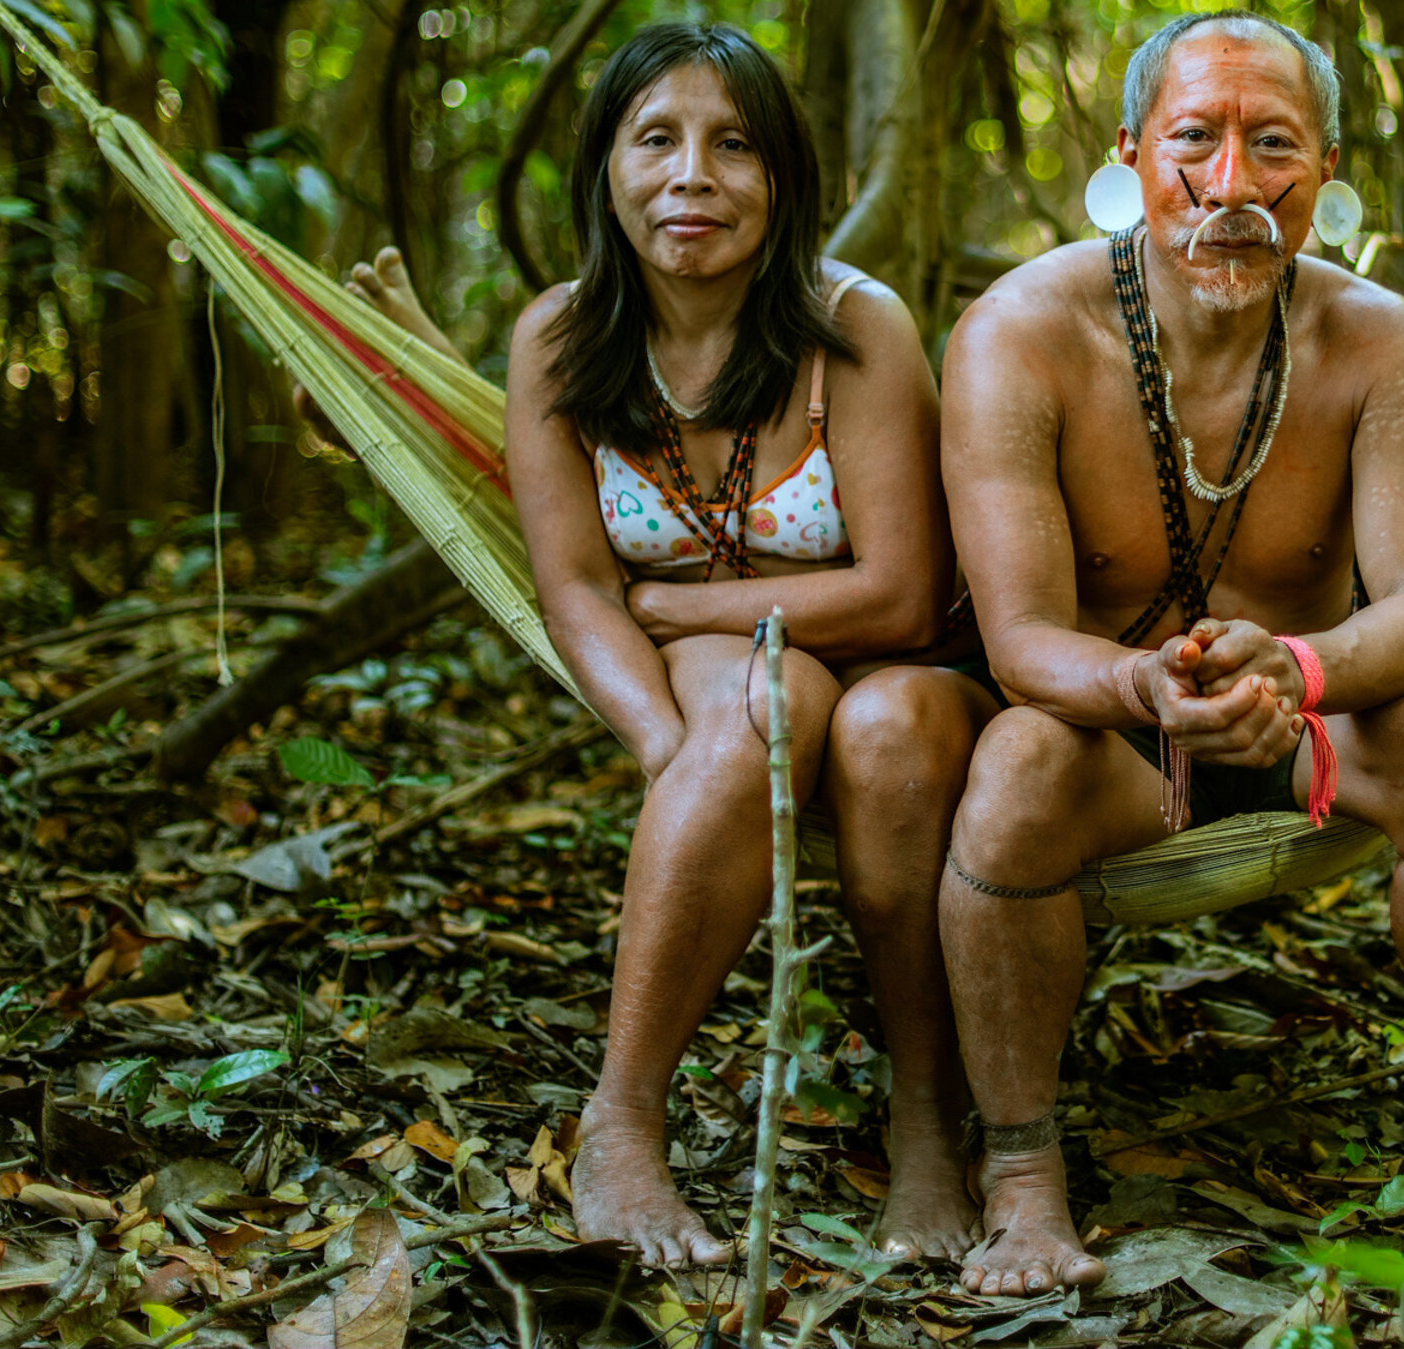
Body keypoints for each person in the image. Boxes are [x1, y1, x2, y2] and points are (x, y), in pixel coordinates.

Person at [936, 12, 1404, 1303]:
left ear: (1325, 171)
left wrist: (1296, 677)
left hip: (1310, 727)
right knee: (1018, 763)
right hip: (1115, 740)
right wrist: (1141, 686)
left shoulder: (1379, 340)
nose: (1234, 186)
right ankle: (1023, 1181)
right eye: (1194, 141)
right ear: (1130, 156)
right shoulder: (1019, 336)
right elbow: (1023, 638)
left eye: (1274, 147)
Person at [491, 23, 989, 1267]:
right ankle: (621, 1126)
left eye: (734, 146)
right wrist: (674, 751)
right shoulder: (559, 341)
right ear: (605, 166)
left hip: (898, 662)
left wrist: (688, 607)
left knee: (881, 744)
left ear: (785, 180)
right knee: (753, 717)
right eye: (655, 138)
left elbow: (905, 591)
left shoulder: (853, 328)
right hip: (749, 668)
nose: (692, 175)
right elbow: (572, 588)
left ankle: (928, 1125)